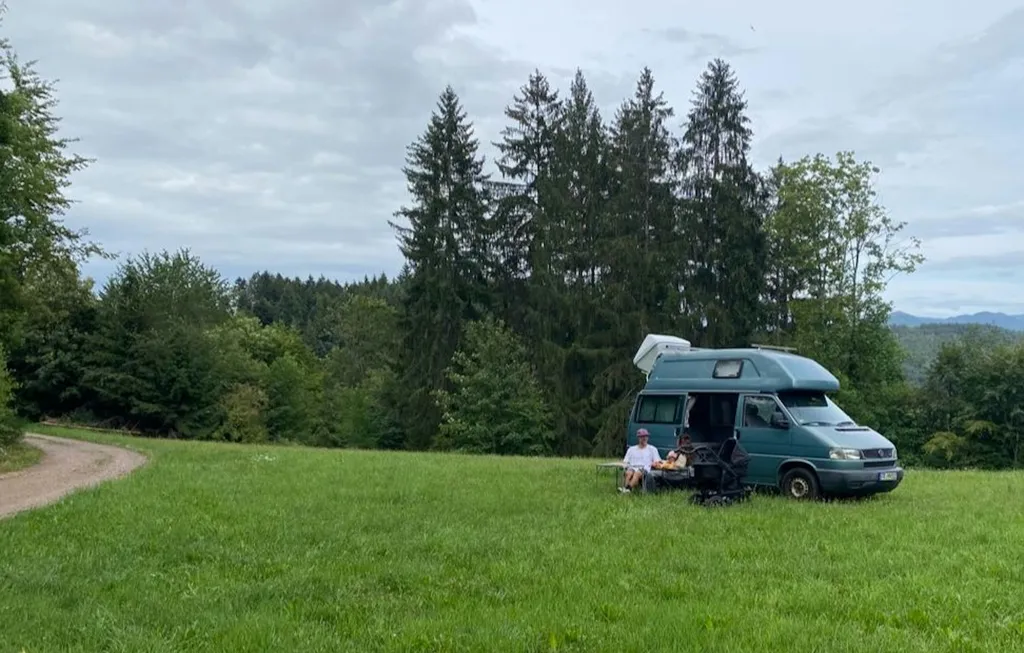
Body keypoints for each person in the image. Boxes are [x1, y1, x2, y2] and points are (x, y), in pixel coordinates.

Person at [620, 428, 662, 493]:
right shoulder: (631, 449)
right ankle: (625, 489)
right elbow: (625, 461)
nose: (644, 438)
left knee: (637, 473)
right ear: (638, 438)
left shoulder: (652, 449)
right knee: (628, 473)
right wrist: (624, 466)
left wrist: (654, 463)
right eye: (642, 437)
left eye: (646, 436)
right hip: (632, 467)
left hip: (645, 469)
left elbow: (657, 461)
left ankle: (628, 489)